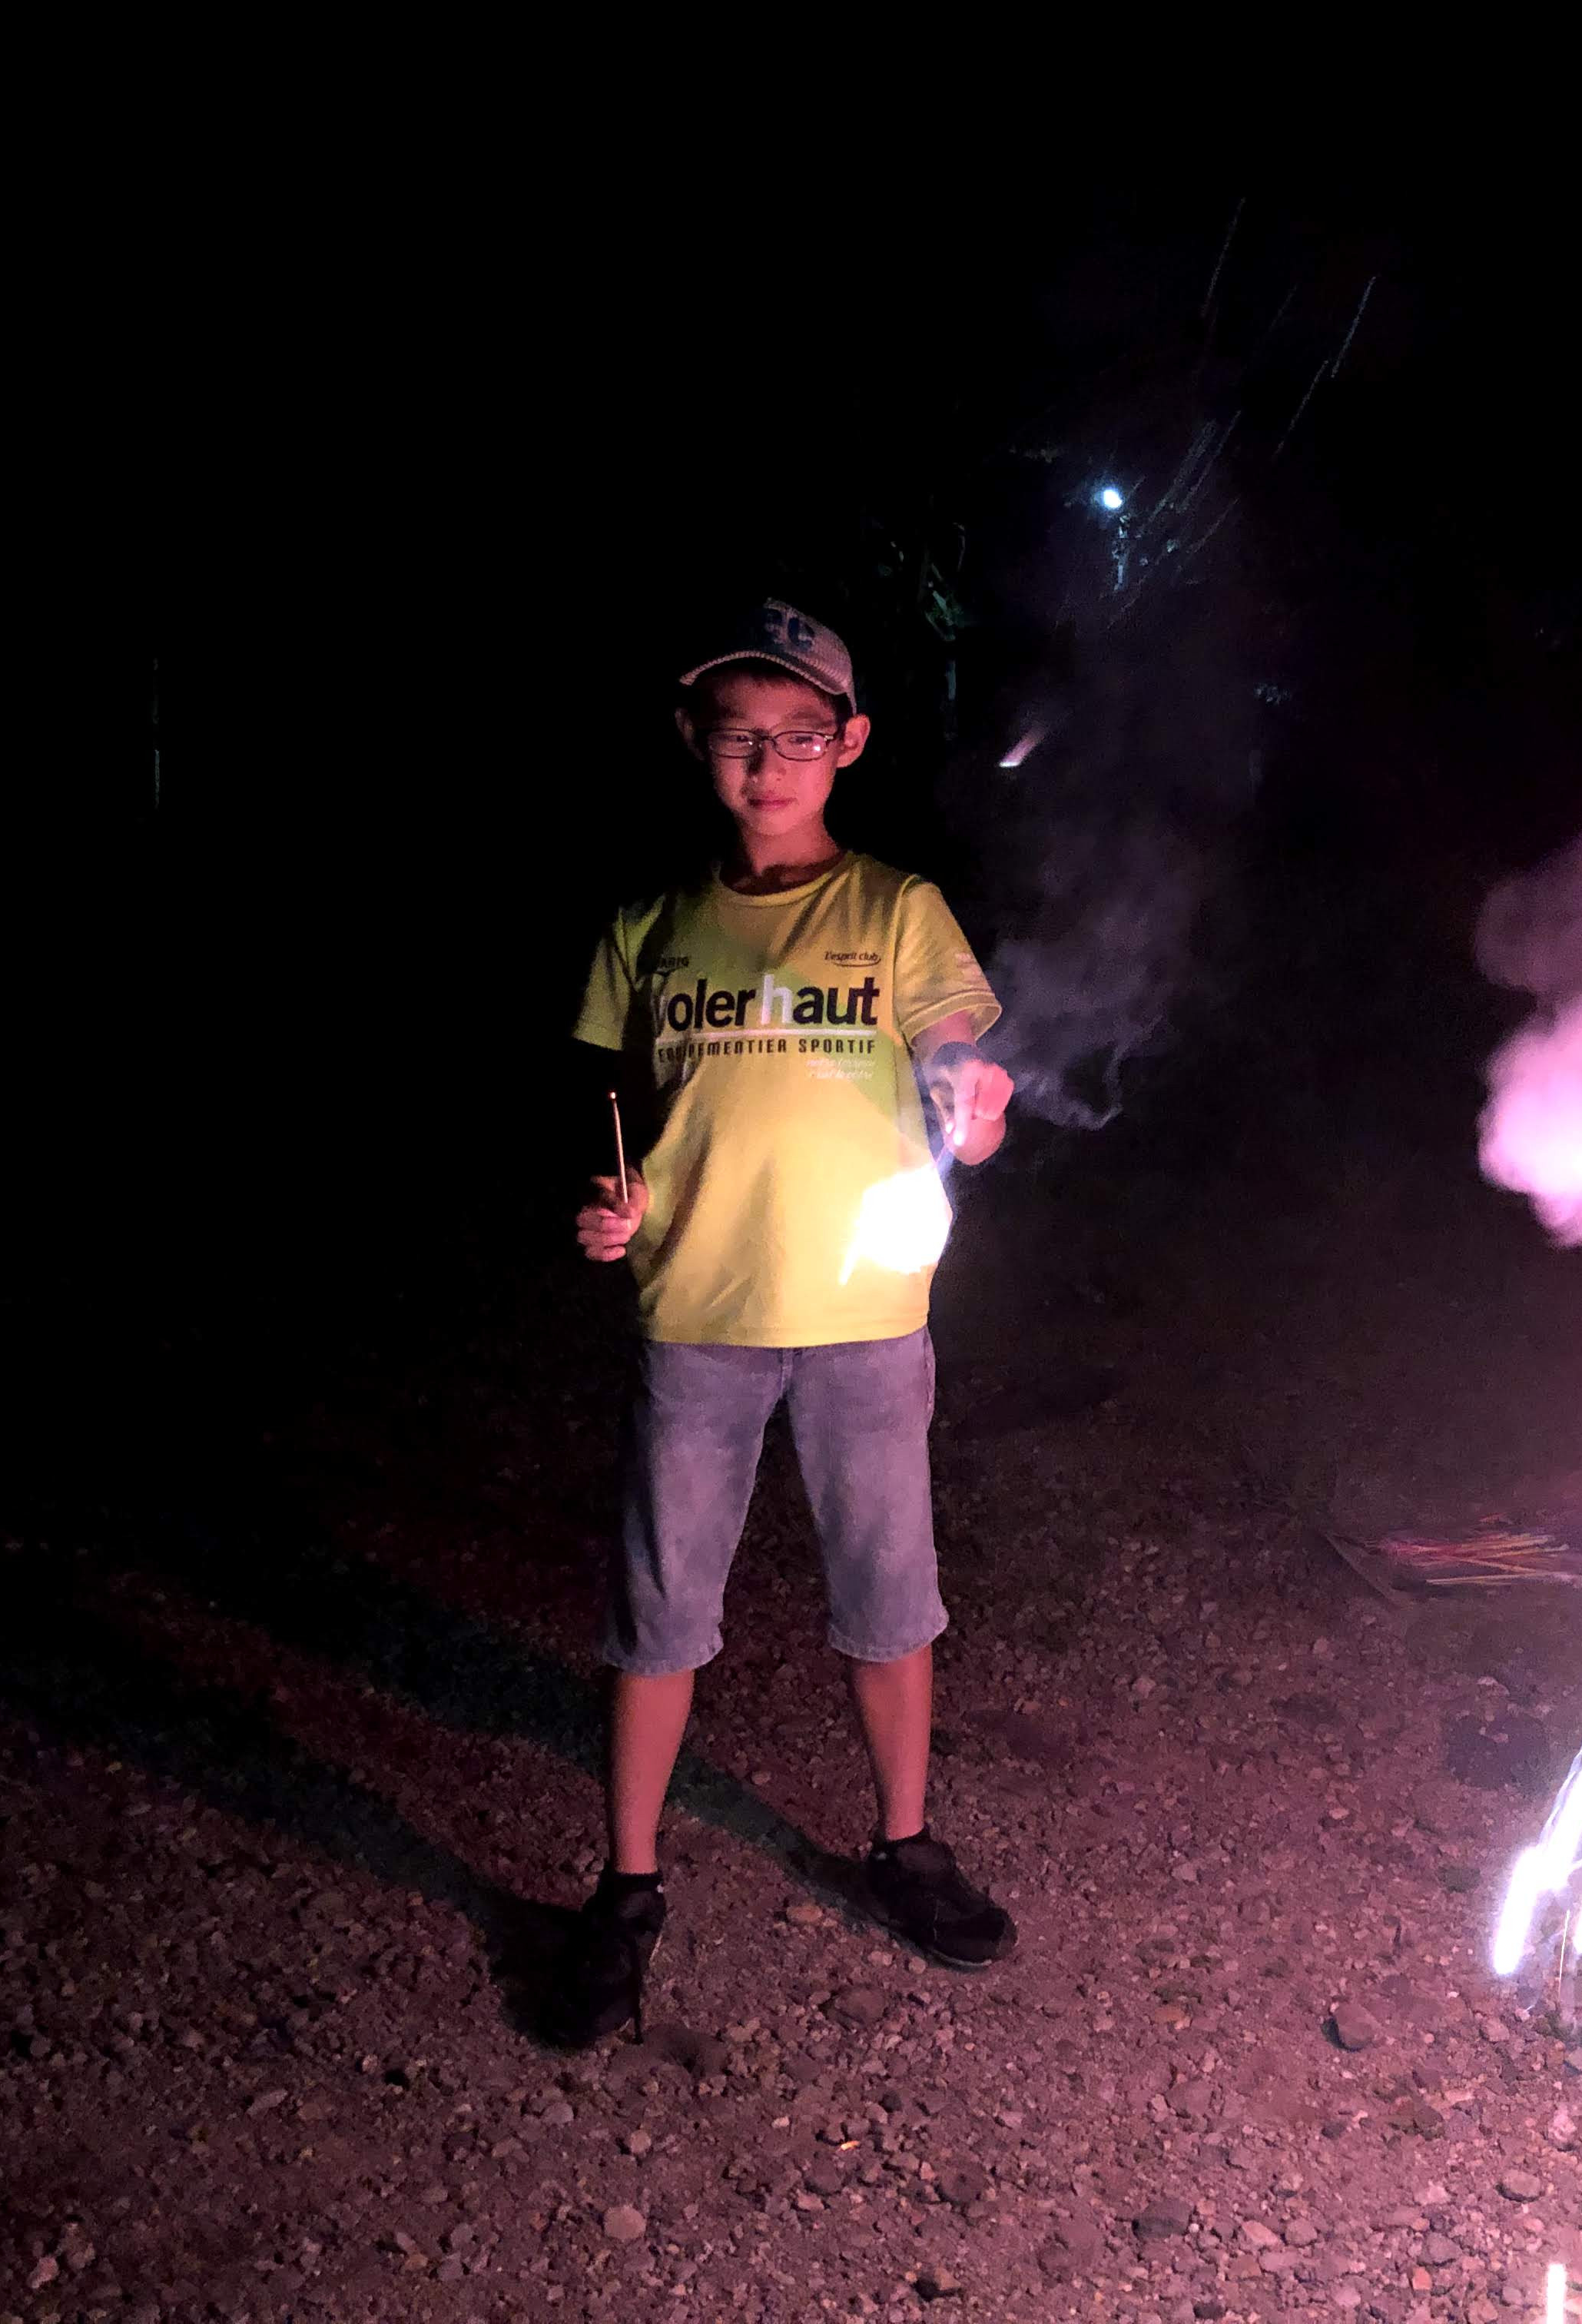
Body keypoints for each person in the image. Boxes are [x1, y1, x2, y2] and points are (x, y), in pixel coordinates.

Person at [552, 600, 1020, 2046]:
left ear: (850, 743)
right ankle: (626, 1887)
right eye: (739, 736)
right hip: (695, 1314)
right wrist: (609, 1203)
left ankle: (905, 1845)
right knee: (658, 1613)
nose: (767, 764)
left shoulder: (895, 910)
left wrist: (977, 1103)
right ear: (696, 741)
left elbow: (961, 1060)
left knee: (891, 1595)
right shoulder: (647, 927)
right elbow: (613, 1117)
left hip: (866, 1317)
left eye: (800, 735)